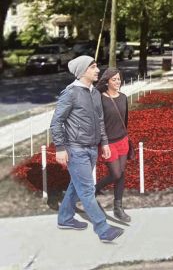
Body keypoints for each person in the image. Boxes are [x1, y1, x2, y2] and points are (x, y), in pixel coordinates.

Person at [50, 55, 124, 243]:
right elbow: (56, 122)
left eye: (96, 66)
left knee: (76, 185)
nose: (97, 70)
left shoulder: (94, 93)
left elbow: (100, 120)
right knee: (87, 190)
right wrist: (60, 147)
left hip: (92, 148)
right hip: (76, 149)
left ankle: (65, 218)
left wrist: (105, 143)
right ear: (83, 71)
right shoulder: (71, 93)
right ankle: (103, 229)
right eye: (93, 67)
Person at [94, 68, 132, 222]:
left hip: (123, 140)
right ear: (107, 81)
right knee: (115, 173)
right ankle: (94, 189)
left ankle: (118, 207)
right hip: (108, 143)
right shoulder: (100, 99)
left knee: (121, 173)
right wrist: (104, 144)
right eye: (114, 79)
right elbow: (99, 123)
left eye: (119, 79)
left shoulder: (123, 98)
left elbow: (125, 120)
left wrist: (126, 138)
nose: (117, 82)